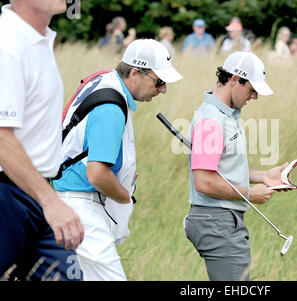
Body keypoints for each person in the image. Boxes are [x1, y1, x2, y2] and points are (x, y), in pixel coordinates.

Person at [52, 39, 182, 281]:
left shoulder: (104, 80)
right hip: (82, 212)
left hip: (69, 205)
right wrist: (125, 197)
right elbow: (97, 174)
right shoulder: (111, 107)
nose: (163, 90)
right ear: (135, 72)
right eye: (159, 81)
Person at [184, 51, 292, 281]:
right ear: (234, 80)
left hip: (221, 220)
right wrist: (250, 194)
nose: (254, 96)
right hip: (216, 222)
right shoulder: (212, 121)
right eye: (251, 89)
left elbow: (222, 169)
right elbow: (204, 181)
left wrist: (264, 176)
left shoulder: (229, 116)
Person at [0, 0, 84, 281]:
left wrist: (46, 199)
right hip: (7, 197)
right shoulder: (7, 43)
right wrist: (51, 202)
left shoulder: (39, 41)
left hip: (34, 193)